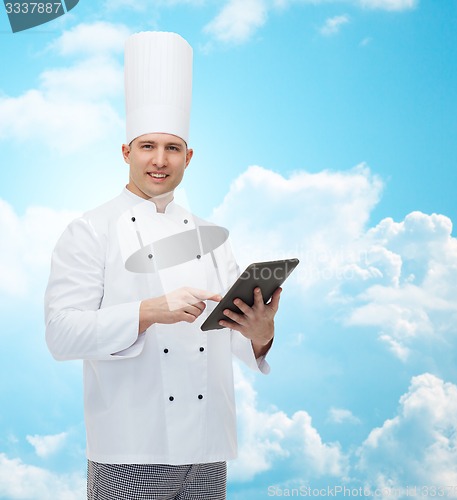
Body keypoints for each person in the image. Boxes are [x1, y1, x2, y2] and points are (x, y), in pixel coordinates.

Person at [44, 31, 281, 500]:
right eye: (147, 145)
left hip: (209, 446)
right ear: (125, 152)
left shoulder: (212, 238)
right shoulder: (89, 229)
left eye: (172, 148)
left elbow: (235, 341)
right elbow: (60, 335)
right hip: (131, 446)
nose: (159, 160)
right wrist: (150, 311)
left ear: (188, 157)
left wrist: (260, 333)